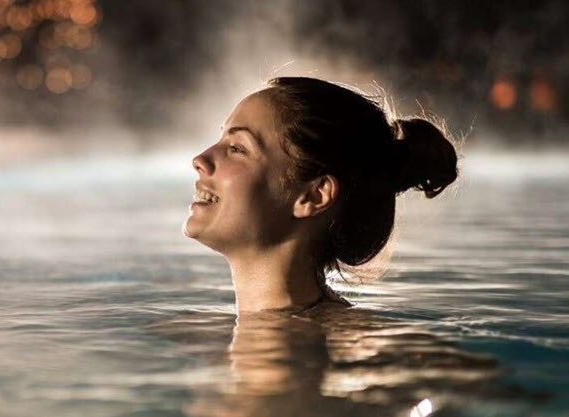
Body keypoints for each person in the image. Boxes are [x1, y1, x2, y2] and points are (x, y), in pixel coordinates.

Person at [183, 77, 459, 313]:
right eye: (222, 141)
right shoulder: (202, 334)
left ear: (314, 196)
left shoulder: (360, 341)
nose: (200, 159)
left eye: (237, 148)